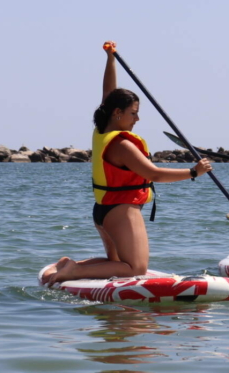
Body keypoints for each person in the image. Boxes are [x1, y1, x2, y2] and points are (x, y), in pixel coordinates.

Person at [41, 41, 213, 284]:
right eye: (133, 113)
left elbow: (107, 93)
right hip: (122, 211)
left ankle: (69, 266)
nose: (137, 119)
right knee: (135, 269)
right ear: (117, 113)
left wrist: (110, 59)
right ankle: (74, 271)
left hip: (103, 209)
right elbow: (154, 174)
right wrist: (193, 172)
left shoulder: (102, 130)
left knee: (117, 264)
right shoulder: (122, 145)